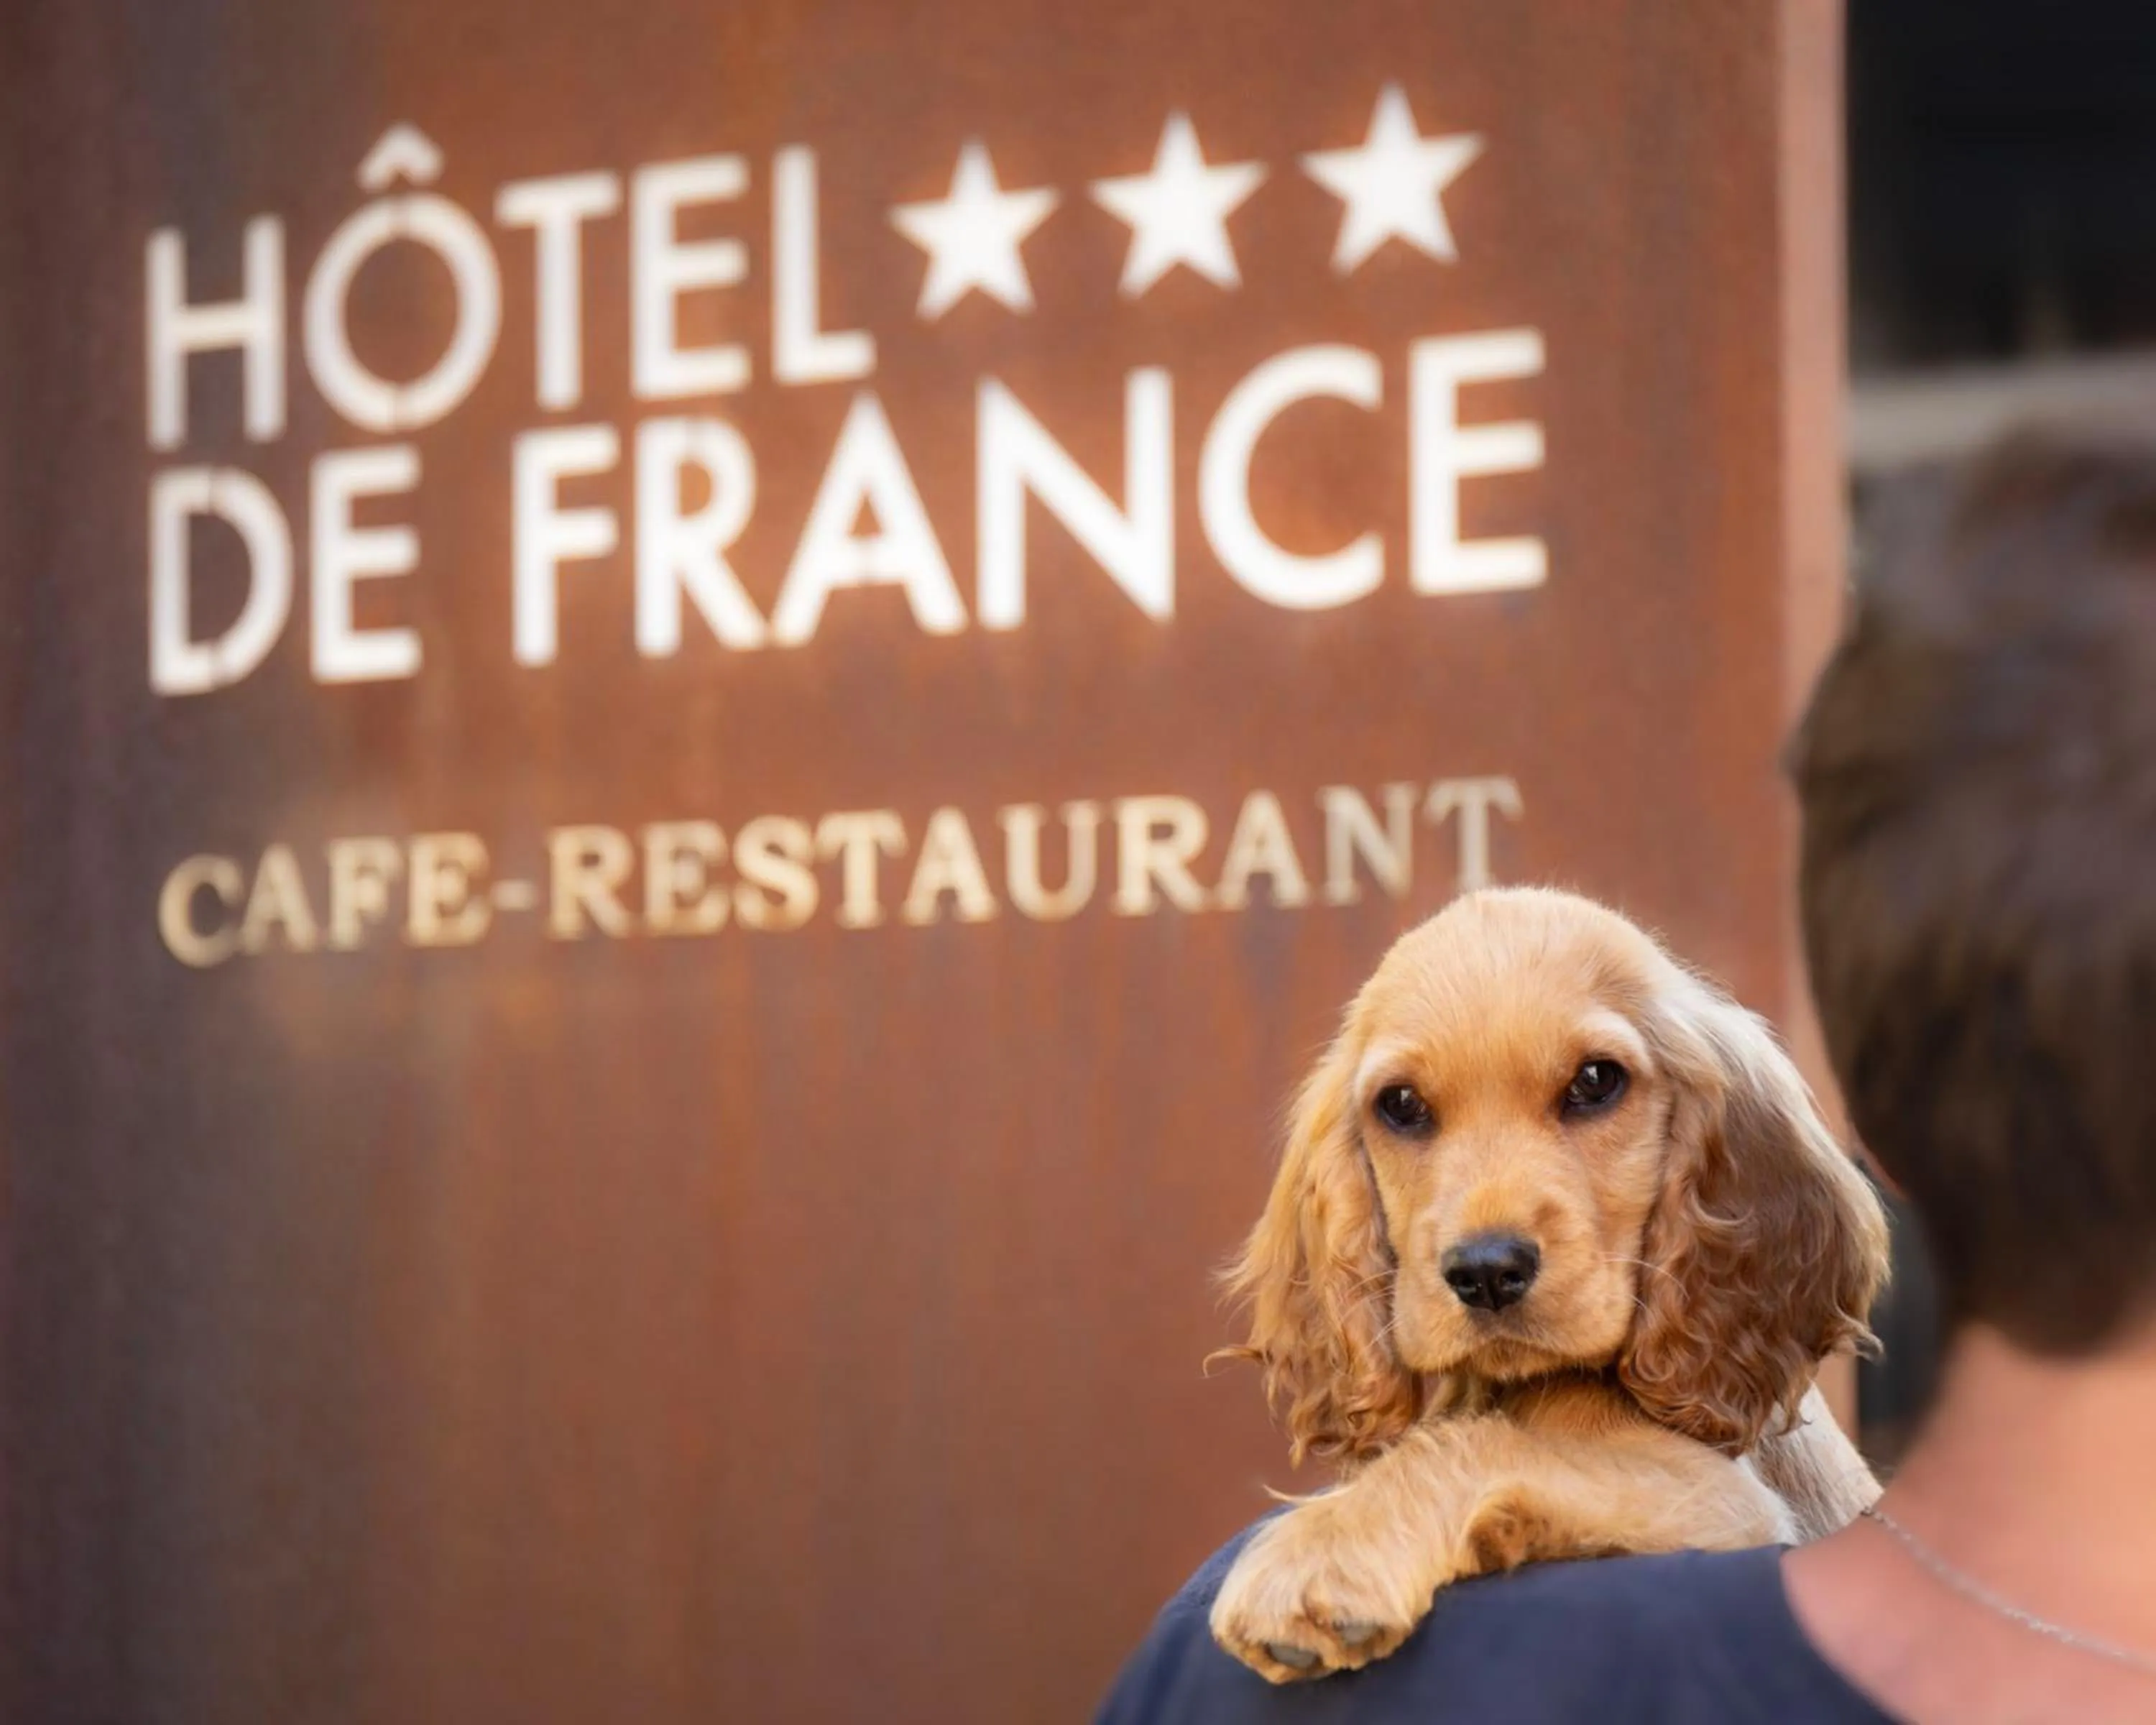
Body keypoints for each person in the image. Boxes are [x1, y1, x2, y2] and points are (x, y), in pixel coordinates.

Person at [1097, 420, 2156, 1724]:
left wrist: (1449, 1486)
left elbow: (1722, 1508)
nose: (1486, 1229)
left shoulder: (1210, 1662)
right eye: (1408, 1113)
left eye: (1592, 1091)